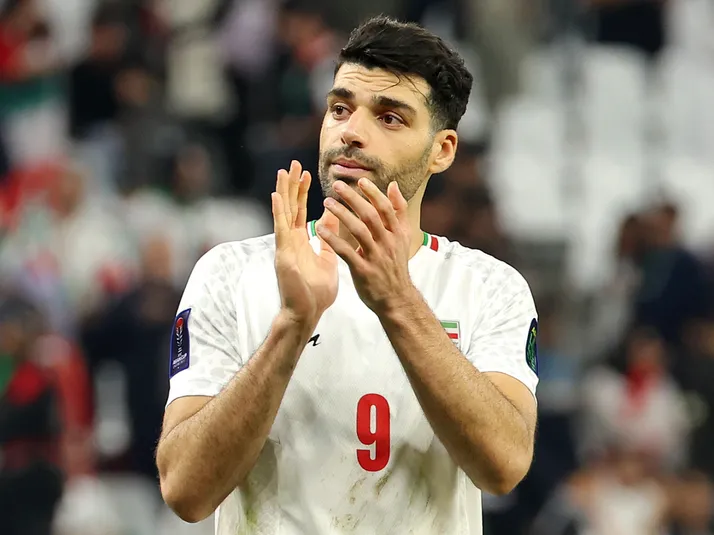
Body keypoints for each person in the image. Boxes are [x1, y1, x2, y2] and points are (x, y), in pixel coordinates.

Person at [156, 16, 539, 535]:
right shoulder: (229, 273)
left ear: (442, 150)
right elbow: (185, 490)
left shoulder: (491, 289)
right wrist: (292, 325)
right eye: (340, 108)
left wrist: (397, 301)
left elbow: (504, 467)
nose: (351, 132)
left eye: (390, 118)